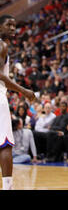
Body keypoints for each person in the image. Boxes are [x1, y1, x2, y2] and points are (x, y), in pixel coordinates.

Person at [0, 15, 35, 190]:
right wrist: (24, 90)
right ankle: (8, 187)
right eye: (9, 25)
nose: (13, 28)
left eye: (14, 25)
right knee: (5, 144)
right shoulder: (1, 45)